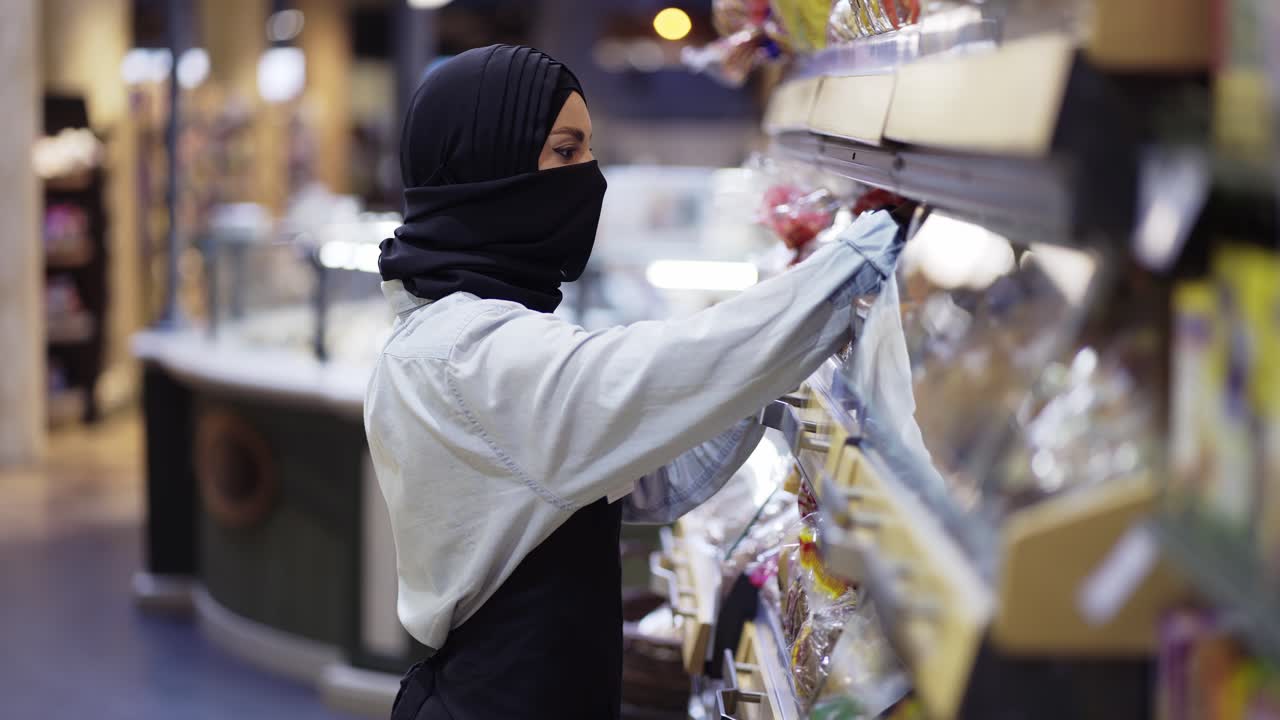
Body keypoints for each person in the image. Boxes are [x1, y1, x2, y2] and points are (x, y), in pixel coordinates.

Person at [366, 44, 903, 719]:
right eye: (564, 152)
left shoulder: (454, 326)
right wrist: (871, 249)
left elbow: (650, 480)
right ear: (485, 164)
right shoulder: (467, 355)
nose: (588, 176)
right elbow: (662, 369)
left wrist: (771, 385)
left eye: (588, 150)